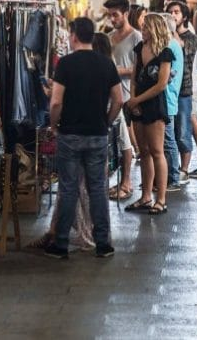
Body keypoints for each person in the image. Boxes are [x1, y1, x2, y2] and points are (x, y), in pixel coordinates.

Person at [30, 33, 119, 251]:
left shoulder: (72, 66)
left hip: (72, 134)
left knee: (70, 189)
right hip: (97, 134)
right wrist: (106, 123)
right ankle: (100, 241)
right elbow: (118, 100)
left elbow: (58, 102)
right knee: (94, 189)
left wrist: (54, 124)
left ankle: (60, 241)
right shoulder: (106, 67)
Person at [124, 13, 174, 215]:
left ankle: (161, 199)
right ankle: (145, 196)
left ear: (154, 29)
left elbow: (161, 84)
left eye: (145, 28)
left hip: (154, 105)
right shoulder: (140, 48)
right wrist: (133, 98)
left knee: (156, 150)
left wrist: (137, 100)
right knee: (143, 151)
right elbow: (134, 77)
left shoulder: (165, 53)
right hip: (138, 104)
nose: (142, 31)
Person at [103, 0, 140, 200]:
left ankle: (127, 182)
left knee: (126, 142)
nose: (112, 19)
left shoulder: (136, 38)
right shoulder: (108, 38)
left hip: (126, 96)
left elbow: (140, 68)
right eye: (109, 16)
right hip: (110, 95)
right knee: (117, 141)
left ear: (126, 14)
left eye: (115, 15)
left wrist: (119, 71)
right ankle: (119, 181)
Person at [167, 1, 197, 185]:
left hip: (184, 90)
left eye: (176, 12)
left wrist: (172, 34)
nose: (173, 15)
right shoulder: (168, 37)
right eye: (170, 12)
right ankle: (172, 168)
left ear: (184, 16)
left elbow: (185, 53)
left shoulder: (191, 37)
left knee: (183, 132)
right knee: (170, 132)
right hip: (169, 90)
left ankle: (184, 169)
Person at [161, 12, 184, 191]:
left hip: (168, 99)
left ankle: (173, 178)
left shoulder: (170, 45)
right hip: (168, 98)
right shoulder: (172, 44)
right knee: (166, 140)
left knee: (168, 141)